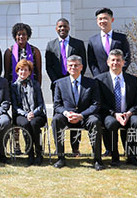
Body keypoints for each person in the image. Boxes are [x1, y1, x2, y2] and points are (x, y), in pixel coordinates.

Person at [52, 55, 103, 170]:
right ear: (67, 67)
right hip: (68, 117)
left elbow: (96, 104)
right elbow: (57, 105)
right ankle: (60, 158)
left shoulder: (91, 83)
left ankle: (97, 160)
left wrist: (81, 115)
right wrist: (67, 113)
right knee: (56, 120)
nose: (73, 67)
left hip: (85, 116)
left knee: (95, 121)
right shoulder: (59, 83)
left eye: (76, 65)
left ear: (81, 67)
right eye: (70, 65)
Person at [95, 49, 137, 168]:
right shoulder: (99, 80)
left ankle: (132, 156)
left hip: (129, 114)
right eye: (112, 60)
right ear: (108, 62)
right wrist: (114, 114)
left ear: (123, 63)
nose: (115, 63)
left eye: (118, 60)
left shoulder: (132, 80)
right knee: (111, 124)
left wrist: (129, 113)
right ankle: (114, 156)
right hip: (109, 114)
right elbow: (99, 103)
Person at [45, 18, 87, 155]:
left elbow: (83, 64)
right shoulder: (50, 45)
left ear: (69, 28)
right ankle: (59, 148)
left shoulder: (78, 44)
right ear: (56, 29)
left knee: (75, 113)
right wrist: (58, 83)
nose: (62, 29)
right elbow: (49, 66)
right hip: (58, 86)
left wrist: (74, 79)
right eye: (60, 27)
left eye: (65, 26)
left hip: (75, 84)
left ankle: (75, 148)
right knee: (59, 117)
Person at [11, 59, 46, 166]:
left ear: (30, 72)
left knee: (34, 123)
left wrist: (33, 113)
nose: (23, 72)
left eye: (26, 70)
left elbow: (41, 104)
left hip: (37, 114)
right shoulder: (13, 86)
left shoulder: (35, 84)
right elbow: (15, 106)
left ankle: (38, 152)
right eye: (21, 70)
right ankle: (30, 153)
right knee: (26, 123)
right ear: (17, 71)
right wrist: (26, 114)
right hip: (20, 114)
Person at [87, 8, 130, 76]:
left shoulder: (121, 38)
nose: (102, 21)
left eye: (105, 18)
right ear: (97, 21)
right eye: (100, 19)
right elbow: (91, 62)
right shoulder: (92, 41)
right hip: (100, 78)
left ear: (112, 20)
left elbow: (126, 57)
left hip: (118, 76)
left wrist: (119, 72)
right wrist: (98, 76)